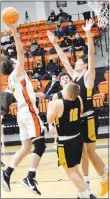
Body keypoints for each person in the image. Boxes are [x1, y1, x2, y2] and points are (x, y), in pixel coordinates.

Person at [47, 19, 108, 196]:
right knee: (85, 153)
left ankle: (106, 175)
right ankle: (95, 181)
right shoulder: (74, 77)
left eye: (79, 62)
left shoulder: (88, 77)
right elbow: (64, 59)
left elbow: (90, 56)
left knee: (90, 152)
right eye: (76, 63)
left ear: (85, 66)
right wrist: (54, 43)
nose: (76, 63)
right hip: (80, 120)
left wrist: (88, 34)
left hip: (89, 117)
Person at [1, 24, 46, 194]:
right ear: (13, 64)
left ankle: (7, 173)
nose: (16, 59)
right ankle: (30, 177)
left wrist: (36, 95)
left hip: (22, 111)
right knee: (40, 145)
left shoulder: (13, 78)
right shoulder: (17, 72)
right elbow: (20, 52)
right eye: (14, 60)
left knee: (26, 148)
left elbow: (24, 91)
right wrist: (14, 32)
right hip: (28, 111)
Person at [47, 82, 97, 199]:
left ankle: (88, 194)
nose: (62, 92)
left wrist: (50, 106)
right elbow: (80, 112)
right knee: (74, 168)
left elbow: (50, 119)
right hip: (77, 138)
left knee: (69, 171)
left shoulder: (59, 103)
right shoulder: (79, 99)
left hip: (65, 141)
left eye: (64, 90)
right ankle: (81, 194)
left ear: (68, 93)